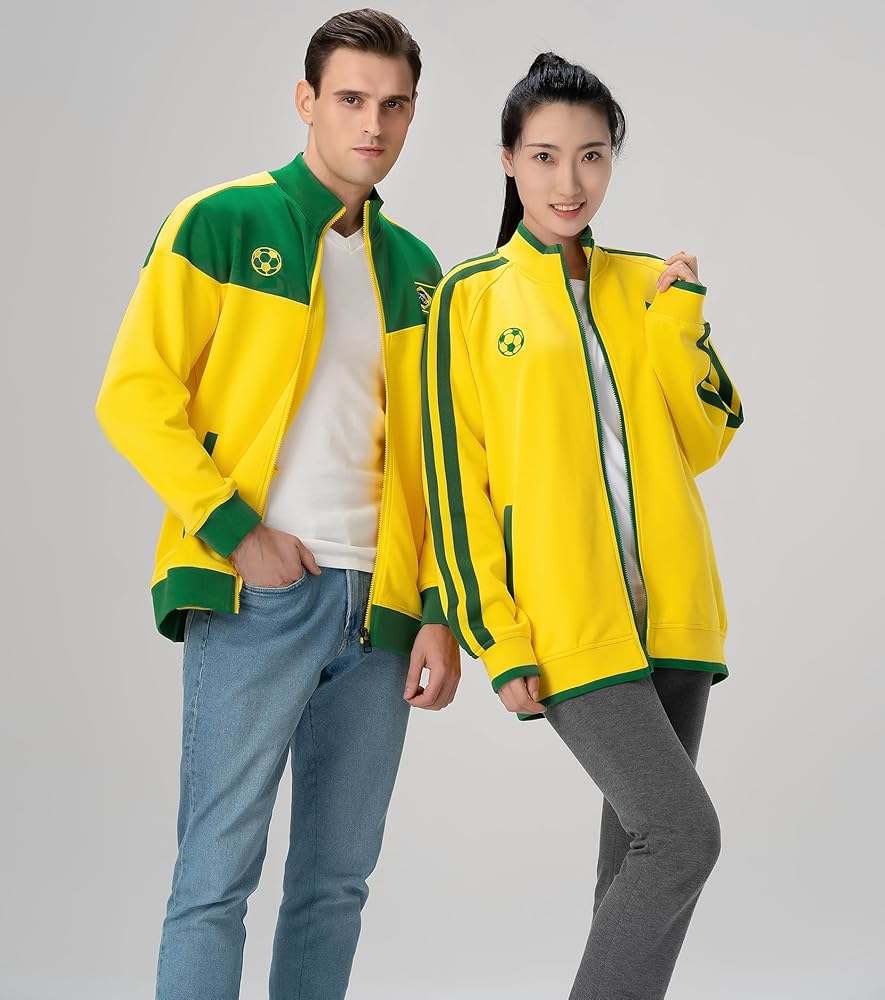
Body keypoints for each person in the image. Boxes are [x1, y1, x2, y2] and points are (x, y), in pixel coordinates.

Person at [95, 10, 460, 999]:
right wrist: (236, 532)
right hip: (260, 594)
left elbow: (434, 462)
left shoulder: (418, 271)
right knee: (214, 880)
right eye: (350, 99)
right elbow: (133, 396)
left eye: (394, 105)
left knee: (336, 886)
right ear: (306, 101)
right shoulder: (222, 221)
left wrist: (436, 609)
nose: (372, 124)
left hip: (379, 609)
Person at [421, 52, 744, 999]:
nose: (570, 181)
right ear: (508, 161)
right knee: (681, 837)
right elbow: (454, 483)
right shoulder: (470, 296)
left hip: (672, 614)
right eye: (546, 156)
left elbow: (708, 438)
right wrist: (495, 634)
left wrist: (678, 323)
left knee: (636, 860)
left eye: (592, 156)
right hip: (566, 621)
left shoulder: (647, 283)